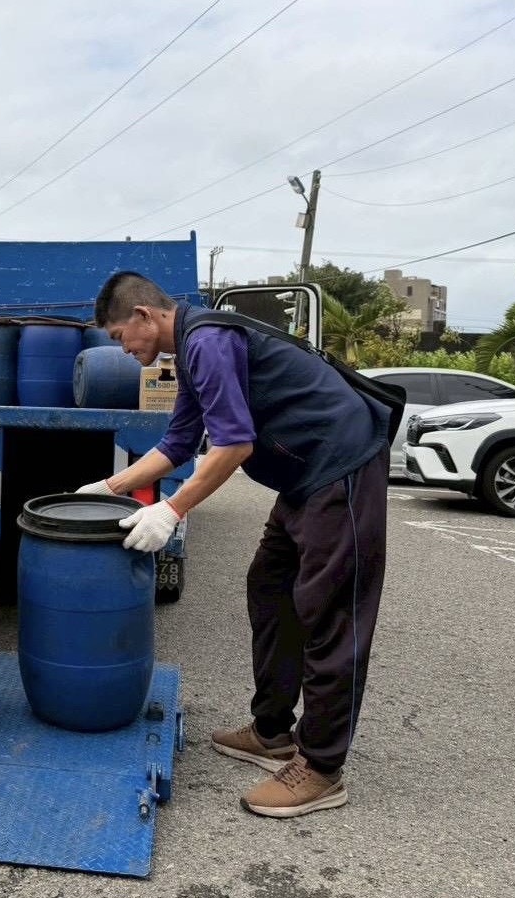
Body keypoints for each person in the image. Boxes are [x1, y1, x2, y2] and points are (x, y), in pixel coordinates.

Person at [77, 272, 389, 818]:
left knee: (328, 612)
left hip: (340, 467)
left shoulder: (208, 341)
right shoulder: (195, 349)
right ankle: (272, 732)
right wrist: (109, 488)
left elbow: (234, 444)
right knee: (270, 588)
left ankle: (321, 768)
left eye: (120, 337)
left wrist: (172, 510)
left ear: (145, 317)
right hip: (303, 478)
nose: (124, 351)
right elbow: (179, 442)